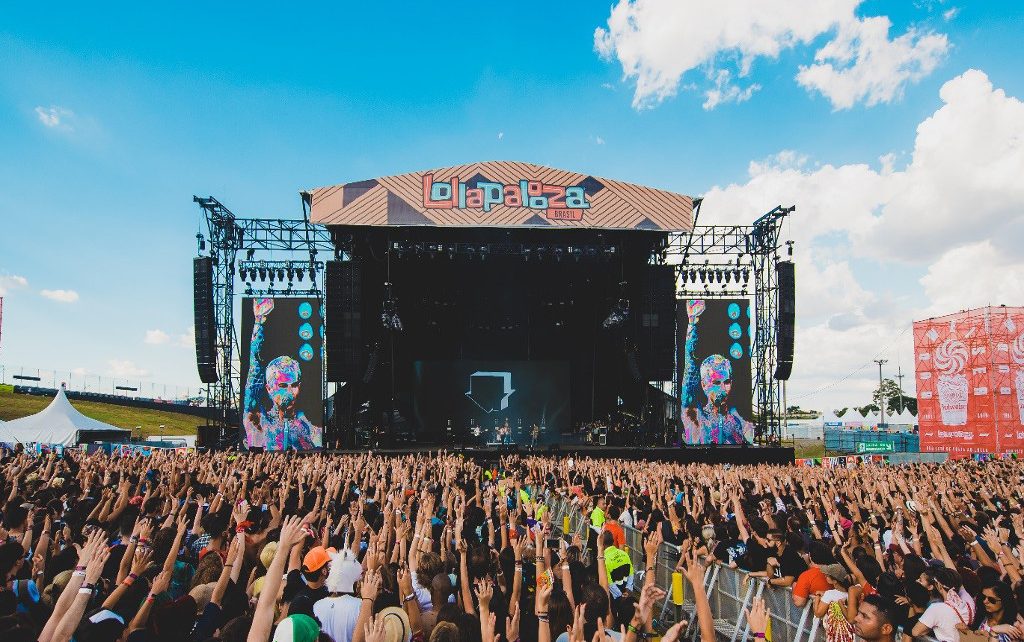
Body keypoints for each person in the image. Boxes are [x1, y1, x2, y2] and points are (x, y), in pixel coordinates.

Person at [243, 298, 322, 451]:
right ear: (269, 388)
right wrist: (258, 322)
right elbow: (254, 369)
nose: (289, 392)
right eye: (282, 385)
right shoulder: (258, 421)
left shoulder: (309, 428)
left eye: (294, 385)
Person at [679, 300, 754, 445]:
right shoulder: (694, 416)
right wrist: (692, 324)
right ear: (704, 384)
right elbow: (689, 371)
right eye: (716, 382)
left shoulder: (739, 422)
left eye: (727, 382)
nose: (723, 388)